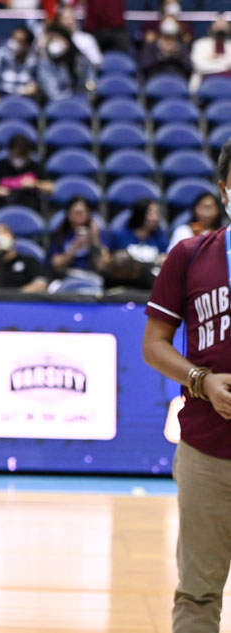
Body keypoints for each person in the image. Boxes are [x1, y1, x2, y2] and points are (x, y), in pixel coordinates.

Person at [141, 137, 231, 633]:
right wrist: (201, 380)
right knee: (197, 593)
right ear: (224, 188)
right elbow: (154, 344)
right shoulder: (192, 255)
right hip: (207, 452)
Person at [105, 198, 169, 289]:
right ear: (140, 214)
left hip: (151, 283)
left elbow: (165, 258)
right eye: (151, 214)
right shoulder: (120, 235)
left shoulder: (160, 237)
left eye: (157, 214)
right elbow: (112, 261)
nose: (156, 218)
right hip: (122, 284)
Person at [0, 134, 52, 211]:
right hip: (3, 207)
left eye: (22, 154)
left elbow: (50, 188)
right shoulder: (0, 165)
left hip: (29, 208)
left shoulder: (35, 166)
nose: (19, 157)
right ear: (10, 150)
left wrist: (35, 183)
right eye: (16, 153)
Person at [0, 223, 49, 293]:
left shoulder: (28, 261)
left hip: (19, 303)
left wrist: (15, 295)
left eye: (3, 233)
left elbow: (41, 284)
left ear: (13, 239)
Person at [49, 196, 111, 278]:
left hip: (93, 276)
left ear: (89, 213)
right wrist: (74, 247)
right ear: (68, 214)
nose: (78, 216)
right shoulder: (60, 234)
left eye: (82, 212)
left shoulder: (101, 234)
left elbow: (103, 266)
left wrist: (95, 241)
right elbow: (56, 266)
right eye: (75, 212)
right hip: (65, 277)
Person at [0, 27, 38, 107]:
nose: (14, 43)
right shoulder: (0, 55)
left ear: (28, 45)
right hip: (0, 98)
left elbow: (34, 86)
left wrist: (29, 90)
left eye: (19, 41)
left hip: (23, 101)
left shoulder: (34, 60)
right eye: (13, 39)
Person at [37, 26, 96, 101]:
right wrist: (72, 98)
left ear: (67, 40)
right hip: (59, 104)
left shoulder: (81, 59)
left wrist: (89, 94)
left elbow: (91, 81)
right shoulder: (45, 64)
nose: (54, 42)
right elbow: (53, 94)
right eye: (51, 40)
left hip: (83, 101)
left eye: (57, 38)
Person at [190, 16, 231, 93]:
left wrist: (213, 61)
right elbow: (200, 66)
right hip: (203, 85)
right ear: (212, 27)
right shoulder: (200, 44)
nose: (220, 29)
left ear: (228, 29)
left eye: (223, 26)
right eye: (218, 26)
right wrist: (225, 64)